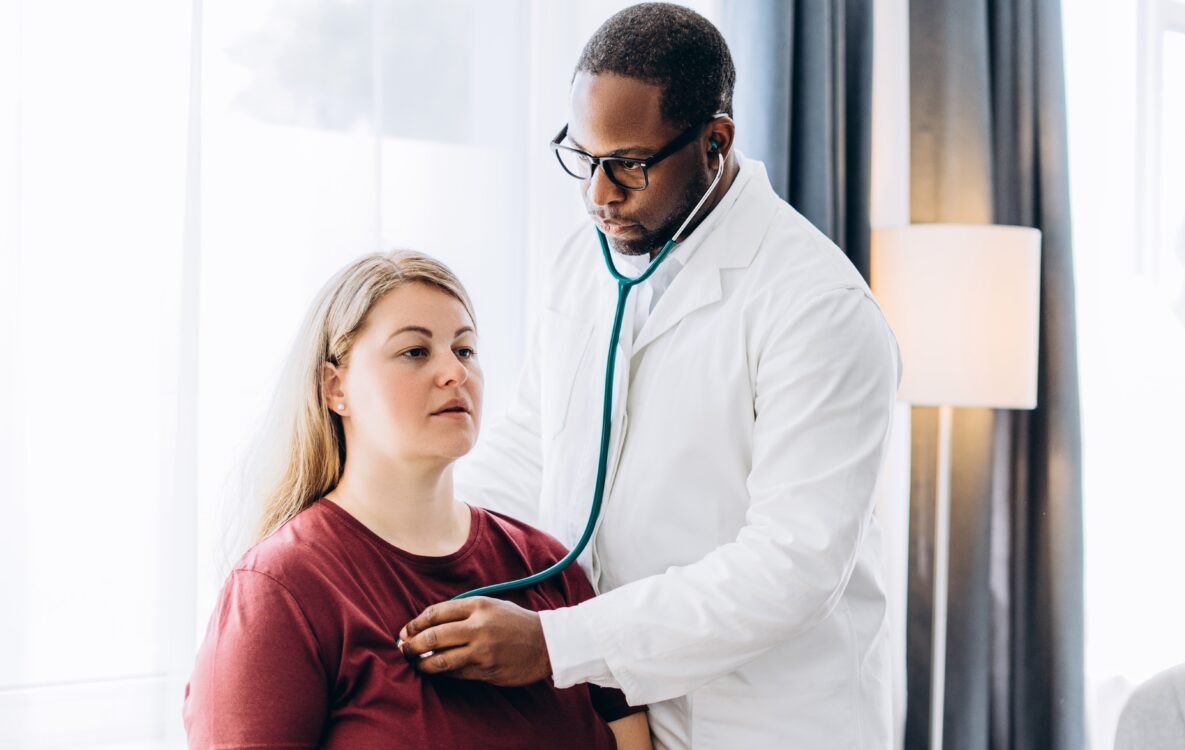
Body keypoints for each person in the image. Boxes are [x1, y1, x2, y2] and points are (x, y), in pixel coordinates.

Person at [398, 4, 901, 748]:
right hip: (617, 714)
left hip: (765, 724)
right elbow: (533, 445)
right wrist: (405, 544)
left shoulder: (818, 307)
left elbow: (792, 566)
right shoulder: (586, 259)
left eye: (629, 164)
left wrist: (555, 644)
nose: (598, 195)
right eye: (583, 158)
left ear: (715, 142)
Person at [183, 252, 652, 749]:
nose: (454, 372)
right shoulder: (280, 591)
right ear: (335, 387)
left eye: (465, 349)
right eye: (415, 352)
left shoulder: (549, 568)